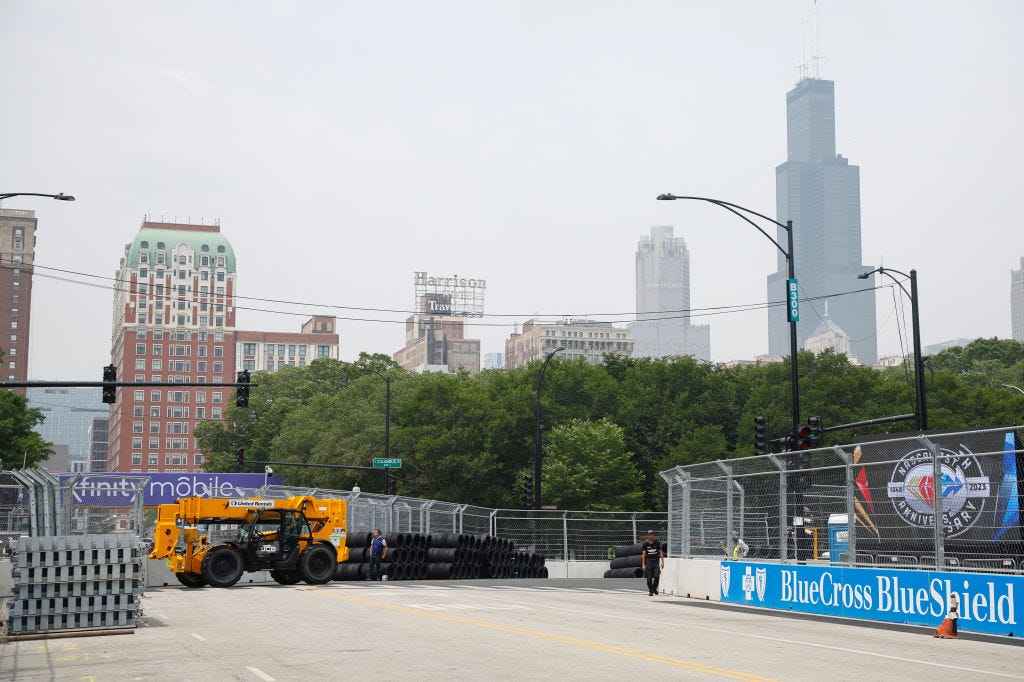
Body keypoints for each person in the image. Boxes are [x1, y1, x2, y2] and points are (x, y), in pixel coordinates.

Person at [640, 530, 664, 596]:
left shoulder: (657, 543)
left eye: (652, 535)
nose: (651, 536)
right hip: (649, 562)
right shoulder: (645, 544)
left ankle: (654, 588)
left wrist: (662, 562)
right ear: (648, 536)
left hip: (656, 561)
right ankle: (651, 590)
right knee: (649, 578)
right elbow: (644, 554)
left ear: (653, 536)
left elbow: (661, 552)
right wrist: (643, 564)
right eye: (650, 535)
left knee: (657, 576)